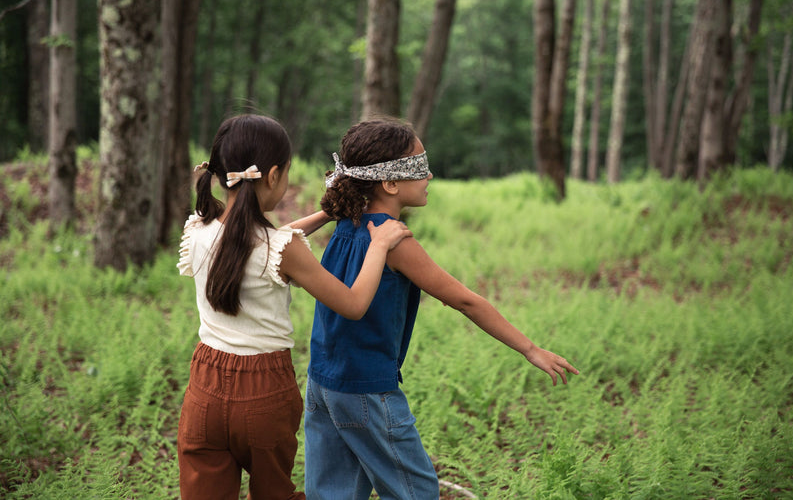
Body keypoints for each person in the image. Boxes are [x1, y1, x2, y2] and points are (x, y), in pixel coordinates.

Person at [304, 118, 579, 499]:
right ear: (390, 183)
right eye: (419, 166)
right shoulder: (394, 241)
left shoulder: (346, 223)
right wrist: (531, 349)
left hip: (322, 382)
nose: (430, 173)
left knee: (333, 493)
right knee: (415, 491)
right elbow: (465, 300)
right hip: (368, 390)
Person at [176, 114, 412, 500]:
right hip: (264, 392)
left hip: (205, 387)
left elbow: (259, 238)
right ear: (272, 176)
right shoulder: (283, 249)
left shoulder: (200, 228)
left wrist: (324, 215)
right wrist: (380, 245)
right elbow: (353, 304)